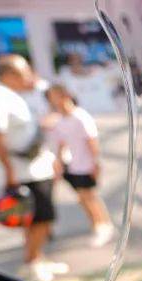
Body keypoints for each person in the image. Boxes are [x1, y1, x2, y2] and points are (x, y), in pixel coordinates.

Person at [0, 54, 64, 281]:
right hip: (24, 173)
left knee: (36, 218)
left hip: (36, 167)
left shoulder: (14, 95)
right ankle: (32, 262)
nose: (29, 77)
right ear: (10, 75)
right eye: (24, 73)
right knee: (41, 218)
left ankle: (38, 257)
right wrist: (9, 172)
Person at [45, 84, 115, 247]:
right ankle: (97, 224)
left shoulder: (80, 117)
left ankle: (103, 225)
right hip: (72, 165)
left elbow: (92, 141)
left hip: (85, 164)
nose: (56, 100)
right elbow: (61, 143)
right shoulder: (60, 120)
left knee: (89, 196)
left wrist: (95, 163)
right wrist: (59, 163)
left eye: (57, 96)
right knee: (82, 198)